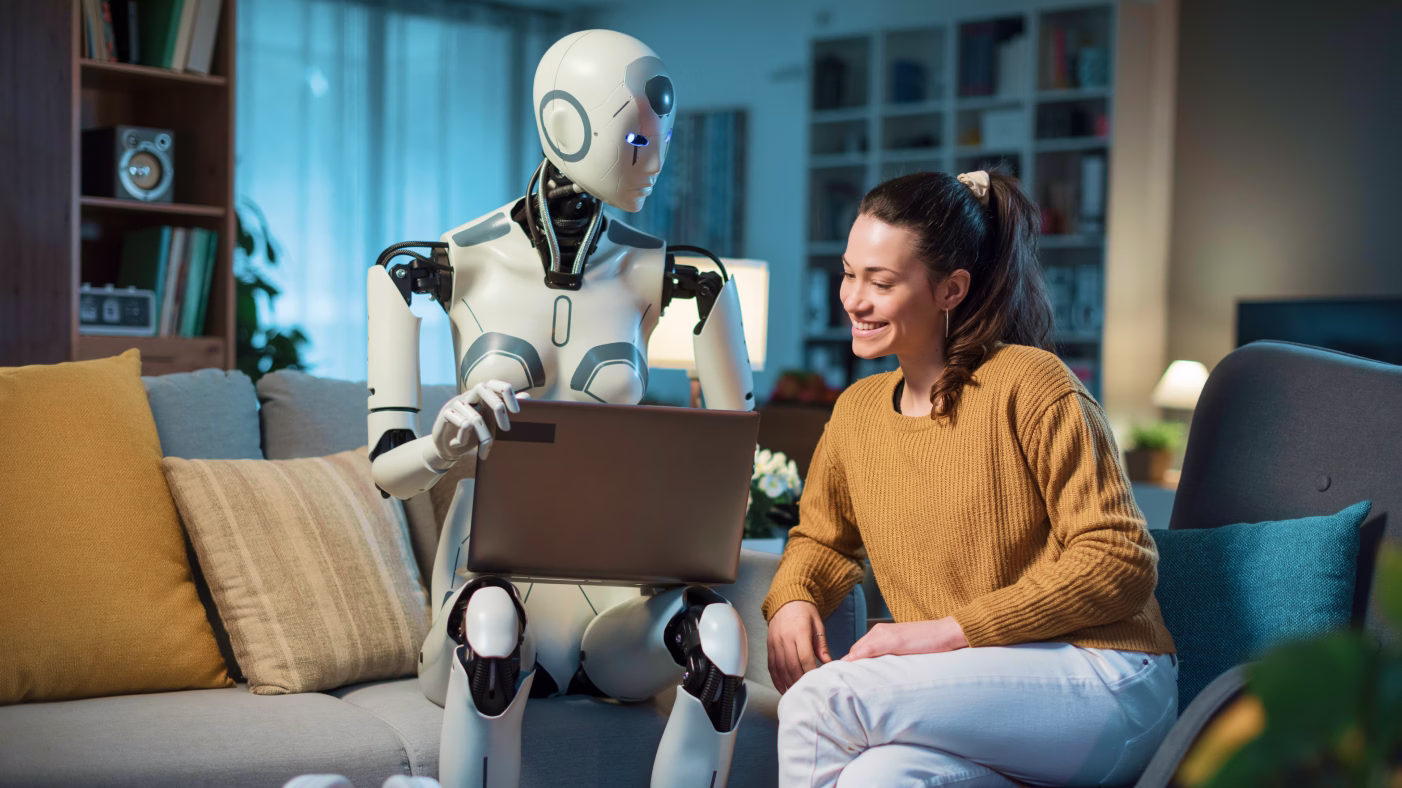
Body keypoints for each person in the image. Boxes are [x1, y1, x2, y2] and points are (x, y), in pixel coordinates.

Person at [763, 170, 1178, 788]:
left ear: (950, 289)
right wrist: (794, 600)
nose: (853, 299)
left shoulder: (1032, 384)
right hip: (984, 691)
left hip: (1105, 679)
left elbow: (1119, 561)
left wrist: (945, 634)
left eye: (881, 282)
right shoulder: (856, 412)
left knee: (823, 703)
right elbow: (822, 539)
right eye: (849, 273)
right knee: (876, 779)